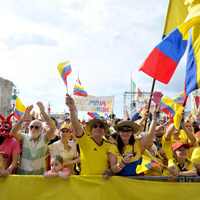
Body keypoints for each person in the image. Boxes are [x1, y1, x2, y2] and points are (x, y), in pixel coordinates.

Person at [65, 94, 112, 179]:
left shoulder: (110, 145)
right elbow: (76, 127)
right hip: (86, 183)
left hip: (104, 184)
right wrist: (72, 109)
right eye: (95, 126)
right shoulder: (85, 141)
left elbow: (113, 165)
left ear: (104, 131)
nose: (98, 128)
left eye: (101, 126)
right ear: (90, 130)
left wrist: (110, 170)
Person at [10, 102, 56, 175]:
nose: (33, 129)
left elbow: (53, 128)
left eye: (36, 127)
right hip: (22, 175)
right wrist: (23, 118)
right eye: (31, 127)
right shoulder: (24, 137)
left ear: (41, 129)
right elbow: (12, 133)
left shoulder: (44, 138)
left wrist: (43, 113)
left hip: (38, 176)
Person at [108, 109, 158, 176]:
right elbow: (113, 170)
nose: (125, 133)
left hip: (137, 182)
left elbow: (150, 133)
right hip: (121, 182)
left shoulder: (138, 143)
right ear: (119, 133)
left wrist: (154, 117)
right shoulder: (114, 147)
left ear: (132, 132)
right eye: (122, 130)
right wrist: (123, 162)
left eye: (128, 131)